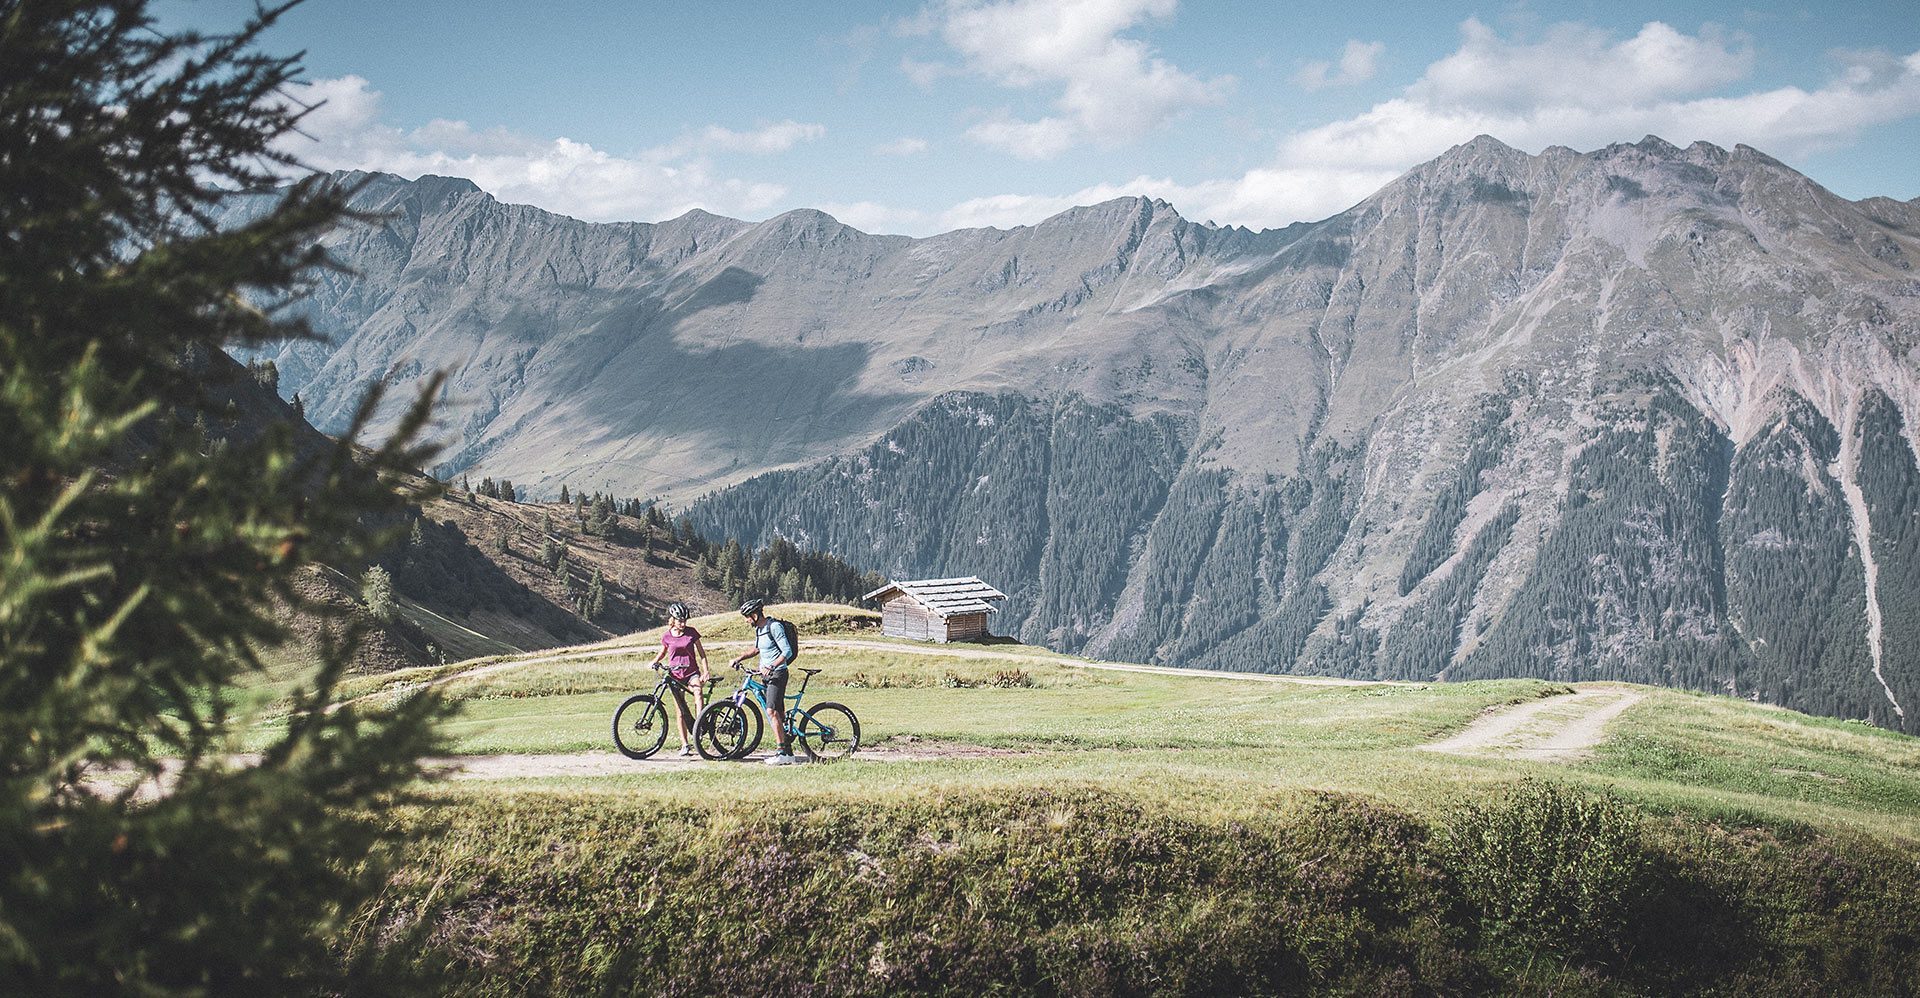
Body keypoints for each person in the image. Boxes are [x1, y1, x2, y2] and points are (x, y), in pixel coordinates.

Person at [729, 598, 799, 765]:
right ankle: (788, 753)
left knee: (771, 711)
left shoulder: (774, 627)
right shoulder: (760, 630)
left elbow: (787, 652)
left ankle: (781, 752)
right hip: (766, 675)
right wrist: (739, 658)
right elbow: (757, 649)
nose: (746, 621)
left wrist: (772, 666)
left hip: (778, 674)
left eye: (747, 617)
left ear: (754, 615)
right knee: (779, 712)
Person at [648, 602, 710, 756]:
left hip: (691, 672)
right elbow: (663, 653)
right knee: (680, 711)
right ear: (673, 620)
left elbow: (702, 654)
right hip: (675, 675)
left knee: (698, 692)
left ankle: (699, 725)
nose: (683, 624)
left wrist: (705, 671)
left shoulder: (691, 633)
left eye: (685, 621)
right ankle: (685, 744)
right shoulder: (667, 635)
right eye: (680, 620)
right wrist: (654, 661)